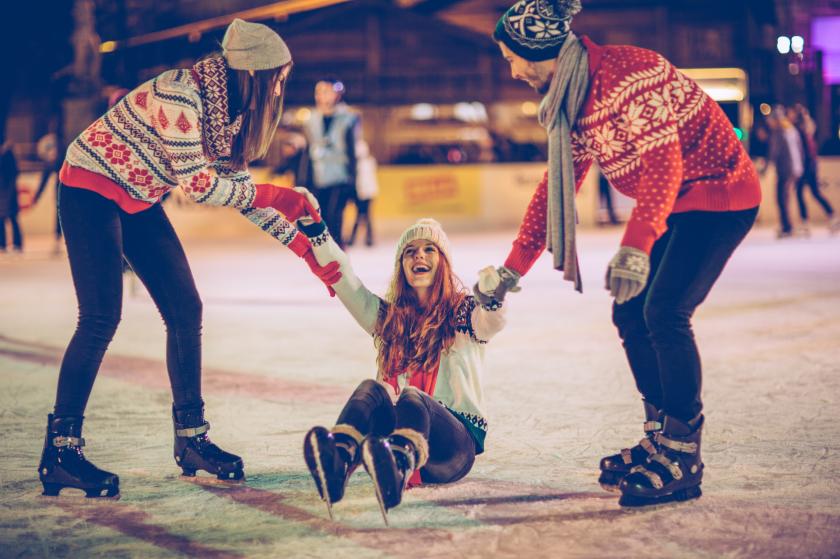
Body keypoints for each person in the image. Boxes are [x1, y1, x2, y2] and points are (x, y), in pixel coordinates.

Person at [38, 19, 337, 499]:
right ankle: (61, 450)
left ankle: (191, 441)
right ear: (255, 73)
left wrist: (306, 250)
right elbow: (201, 187)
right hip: (90, 187)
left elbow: (243, 195)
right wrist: (283, 197)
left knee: (185, 310)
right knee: (99, 317)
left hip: (137, 195)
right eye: (279, 76)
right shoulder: (183, 96)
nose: (282, 86)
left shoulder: (225, 111)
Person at [493, 0, 761, 507]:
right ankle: (660, 435)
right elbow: (559, 186)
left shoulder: (629, 76)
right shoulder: (573, 97)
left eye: (512, 57)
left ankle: (683, 453)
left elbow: (664, 164)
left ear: (538, 51)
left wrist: (636, 246)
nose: (511, 70)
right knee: (630, 313)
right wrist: (512, 268)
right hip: (675, 203)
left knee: (665, 310)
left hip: (720, 194)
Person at [297, 217, 517, 523]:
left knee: (412, 397)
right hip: (394, 438)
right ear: (402, 264)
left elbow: (491, 322)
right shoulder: (387, 318)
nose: (419, 256)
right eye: (410, 251)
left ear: (443, 262)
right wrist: (319, 235)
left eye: (430, 249)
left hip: (451, 450)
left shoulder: (465, 313)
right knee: (371, 390)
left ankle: (400, 462)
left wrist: (492, 300)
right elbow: (347, 282)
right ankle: (339, 458)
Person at [302, 78, 360, 248]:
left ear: (337, 95)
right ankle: (325, 257)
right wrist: (303, 181)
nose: (321, 96)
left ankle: (338, 257)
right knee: (319, 220)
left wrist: (353, 181)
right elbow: (307, 151)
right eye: (318, 92)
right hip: (318, 177)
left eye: (326, 91)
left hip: (340, 177)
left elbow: (352, 152)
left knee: (335, 219)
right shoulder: (311, 119)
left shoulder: (348, 119)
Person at [789, 104, 839, 234]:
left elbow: (804, 151)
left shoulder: (799, 130)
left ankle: (807, 222)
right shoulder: (806, 128)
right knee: (812, 193)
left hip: (807, 166)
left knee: (803, 193)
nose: (789, 115)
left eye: (792, 113)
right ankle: (831, 215)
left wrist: (801, 168)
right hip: (811, 165)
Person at [764, 105, 804, 238]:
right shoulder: (790, 129)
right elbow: (800, 149)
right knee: (784, 197)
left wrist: (765, 168)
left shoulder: (779, 131)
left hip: (786, 169)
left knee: (781, 197)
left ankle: (787, 227)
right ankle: (787, 226)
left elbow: (774, 151)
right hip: (795, 168)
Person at [347, 140, 378, 246]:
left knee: (362, 216)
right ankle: (367, 239)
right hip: (367, 193)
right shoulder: (370, 161)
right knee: (364, 216)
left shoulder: (360, 164)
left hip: (364, 193)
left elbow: (363, 181)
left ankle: (357, 238)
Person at [0, 141, 23, 255]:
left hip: (9, 191)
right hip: (4, 191)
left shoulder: (7, 154)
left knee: (12, 217)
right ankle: (2, 244)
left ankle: (18, 244)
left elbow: (13, 174)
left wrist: (8, 193)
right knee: (2, 219)